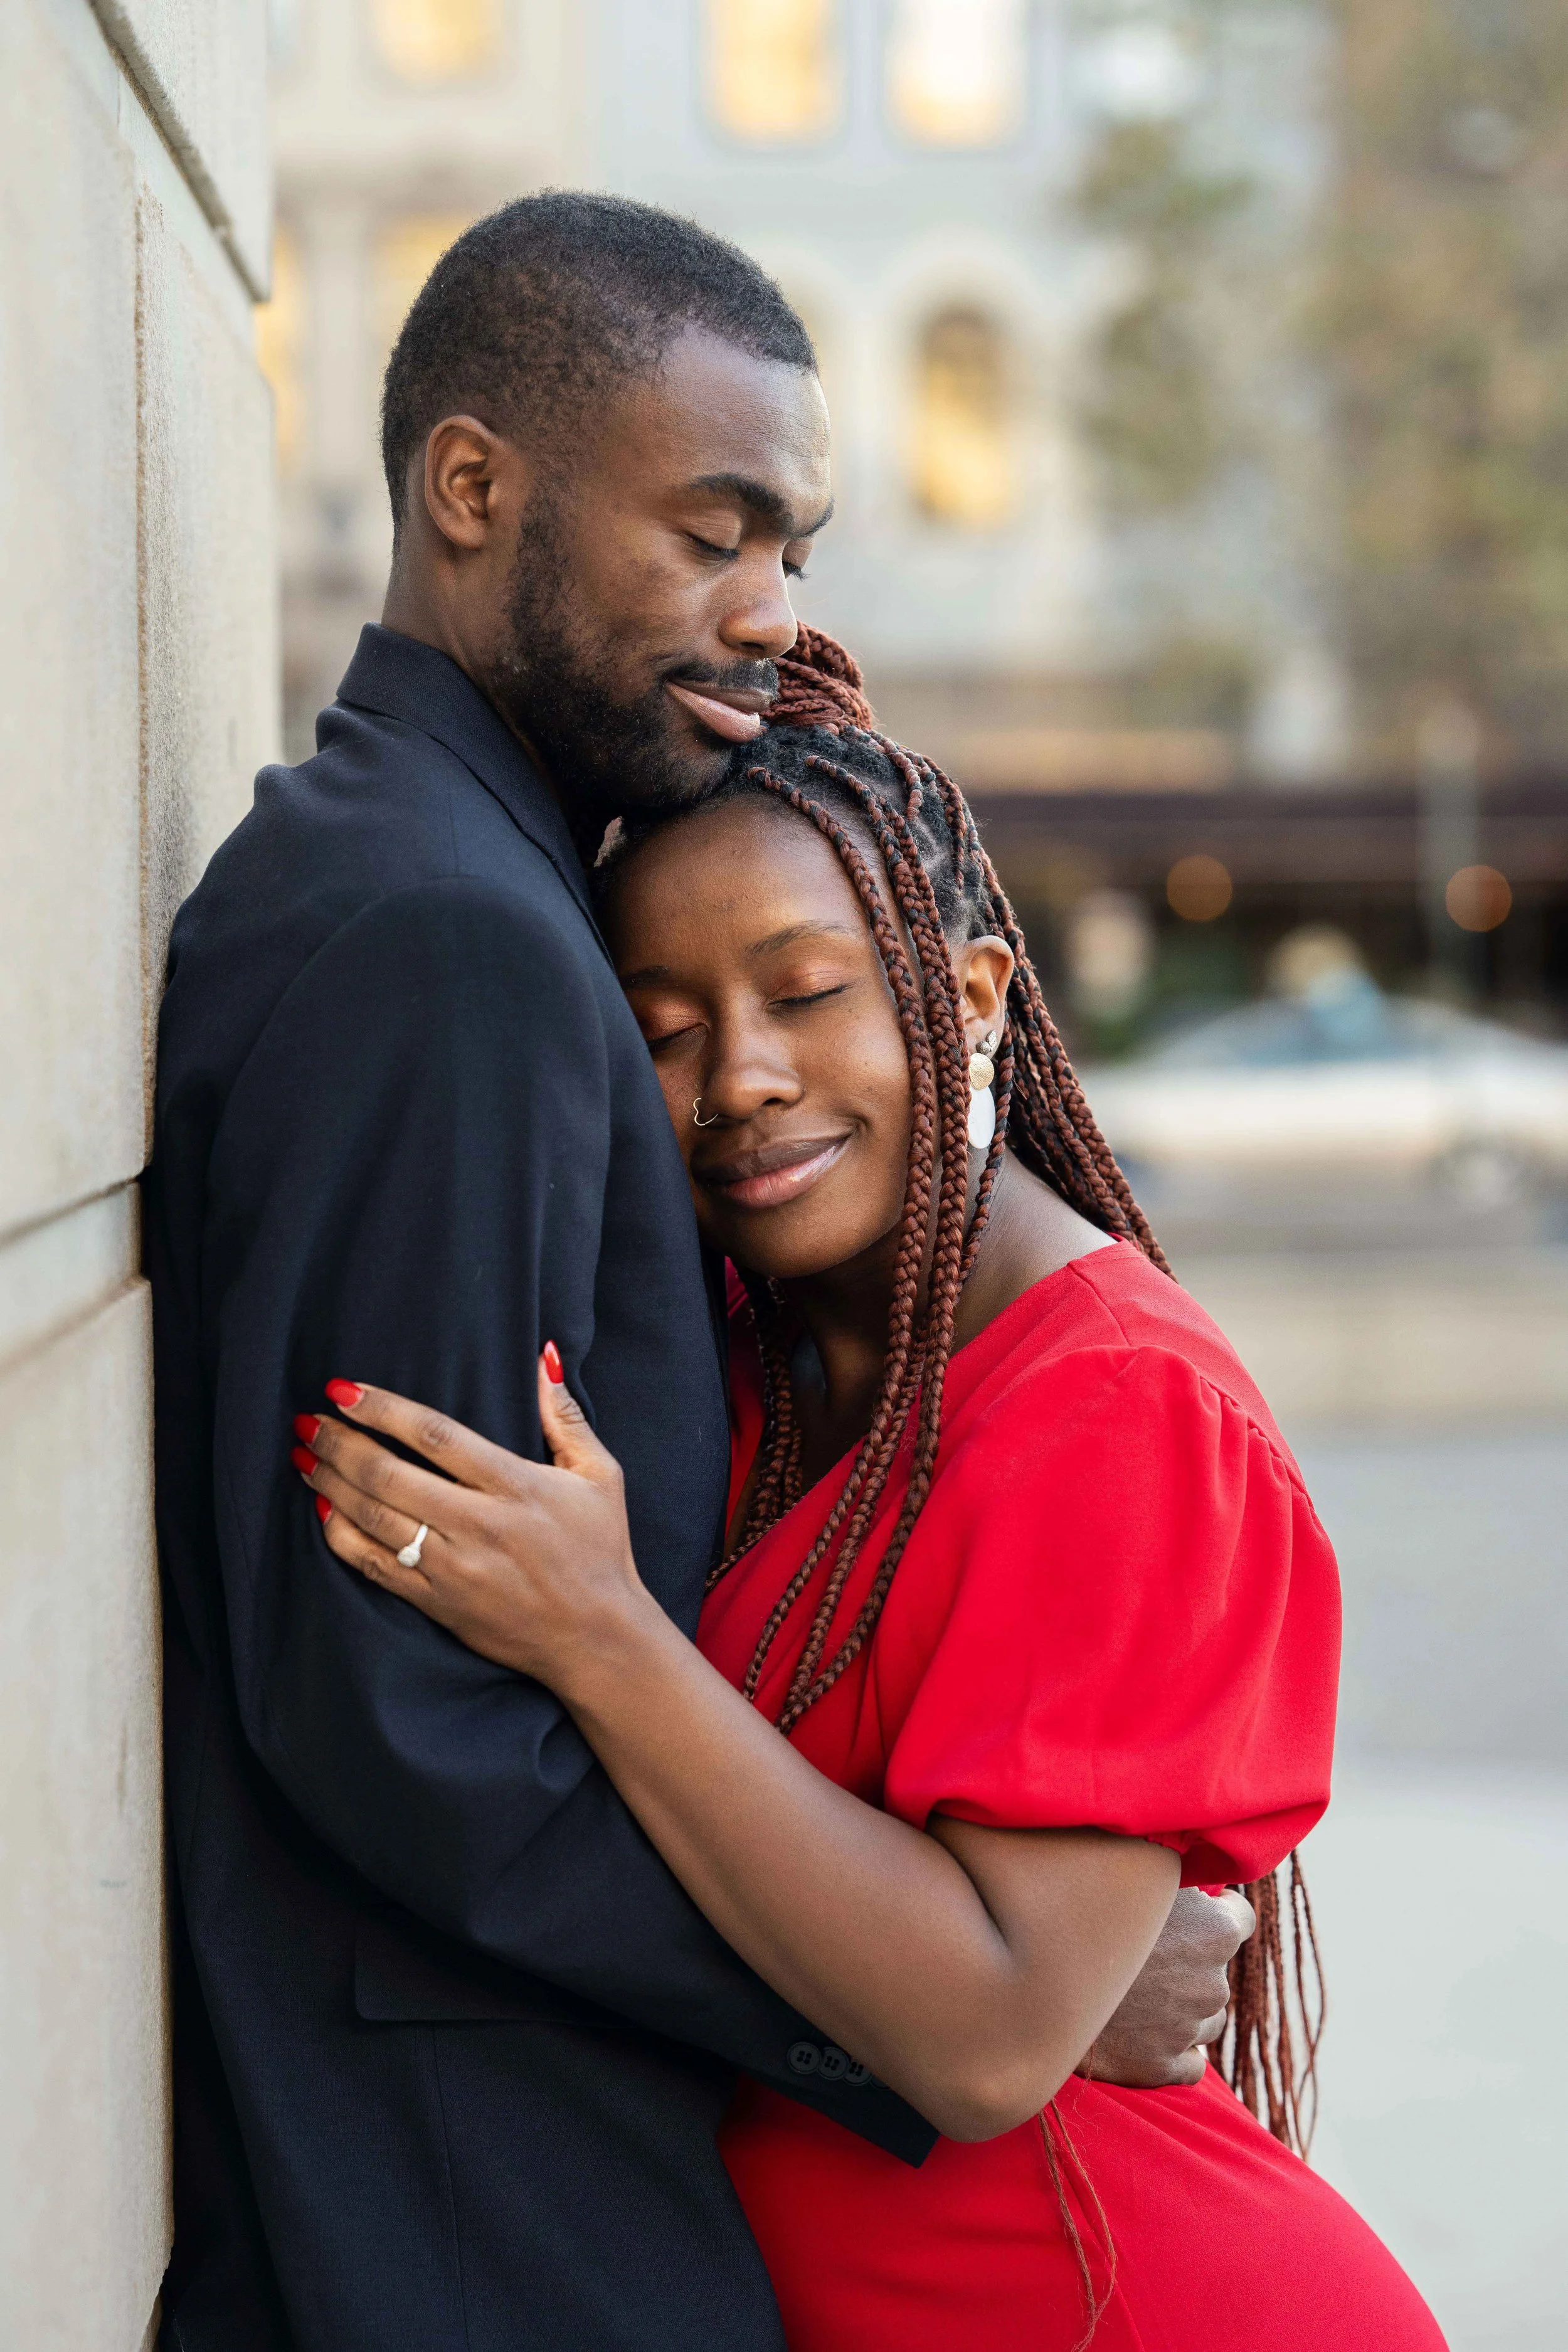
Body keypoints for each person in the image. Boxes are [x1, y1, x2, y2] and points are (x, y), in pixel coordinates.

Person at [146, 196, 1241, 2352]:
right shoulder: (445, 941)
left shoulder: (470, 882)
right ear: (474, 492)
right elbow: (409, 1728)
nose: (766, 611)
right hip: (475, 2226)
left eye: (794, 552)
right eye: (710, 532)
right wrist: (970, 1981)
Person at [294, 634, 1449, 2350]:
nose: (739, 1078)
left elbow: (983, 2040)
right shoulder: (752, 1357)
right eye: (661, 1032)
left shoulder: (1115, 1405)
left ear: (968, 997)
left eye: (804, 989)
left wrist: (600, 1636)